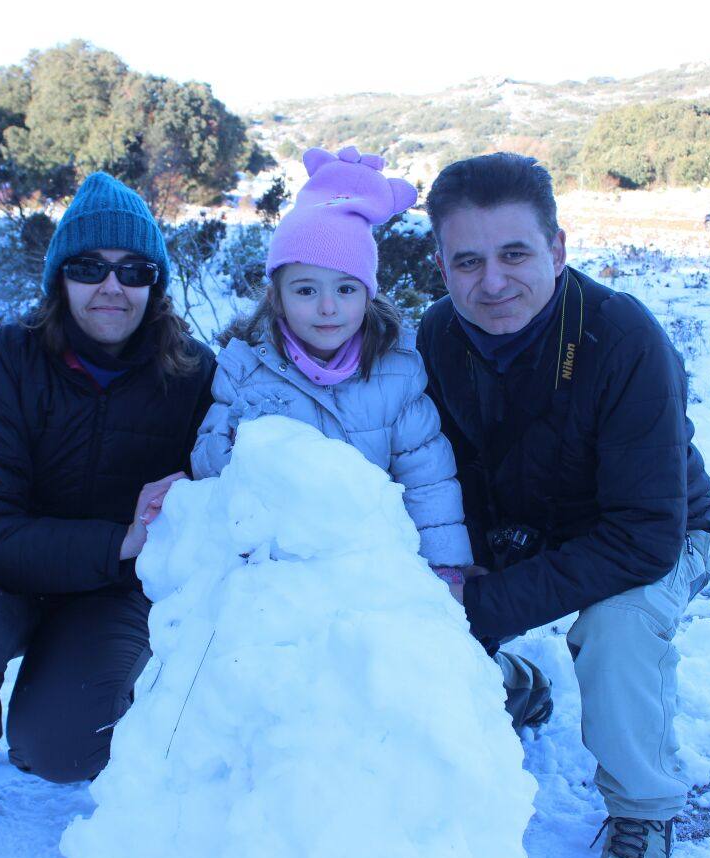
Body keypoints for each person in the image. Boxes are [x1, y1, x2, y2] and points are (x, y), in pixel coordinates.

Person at [416, 152, 710, 858]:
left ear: (558, 249)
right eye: (468, 262)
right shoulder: (433, 336)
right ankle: (513, 686)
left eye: (515, 253)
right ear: (441, 264)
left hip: (663, 534)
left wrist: (485, 602)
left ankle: (643, 814)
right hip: (517, 530)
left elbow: (646, 535)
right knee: (409, 597)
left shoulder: (623, 340)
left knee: (617, 630)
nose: (492, 283)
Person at [0, 172, 216, 835]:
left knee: (60, 752)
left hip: (113, 590)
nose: (111, 286)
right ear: (58, 279)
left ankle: (80, 689)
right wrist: (117, 541)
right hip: (4, 573)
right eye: (87, 267)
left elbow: (217, 495)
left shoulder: (192, 373)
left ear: (154, 284)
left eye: (133, 270)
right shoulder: (9, 358)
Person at [193, 145, 552, 733]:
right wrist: (236, 443)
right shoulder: (244, 368)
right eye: (305, 290)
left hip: (371, 557)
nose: (328, 308)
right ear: (277, 295)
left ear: (369, 294)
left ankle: (501, 689)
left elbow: (427, 470)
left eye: (346, 289)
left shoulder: (396, 371)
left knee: (401, 667)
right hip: (278, 561)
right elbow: (209, 464)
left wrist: (445, 569)